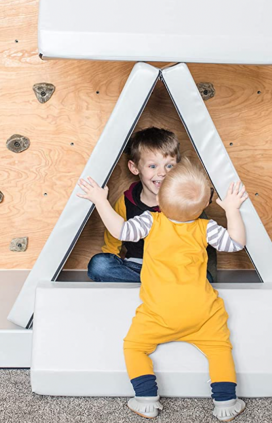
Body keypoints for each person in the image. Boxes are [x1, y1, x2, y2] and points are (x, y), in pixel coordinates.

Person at [77, 161, 249, 421]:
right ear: (204, 205)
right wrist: (233, 210)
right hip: (202, 313)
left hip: (159, 313)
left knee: (133, 347)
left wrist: (100, 200)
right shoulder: (205, 227)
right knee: (220, 350)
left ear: (161, 199)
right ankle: (225, 402)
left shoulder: (151, 221)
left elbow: (120, 229)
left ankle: (146, 398)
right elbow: (236, 243)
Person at [86, 127, 217, 283]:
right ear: (134, 168)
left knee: (205, 278)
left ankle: (156, 283)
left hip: (176, 269)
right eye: (153, 166)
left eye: (169, 166)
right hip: (138, 266)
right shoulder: (126, 201)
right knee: (100, 265)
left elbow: (204, 242)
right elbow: (114, 238)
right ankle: (157, 283)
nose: (162, 173)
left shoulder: (185, 200)